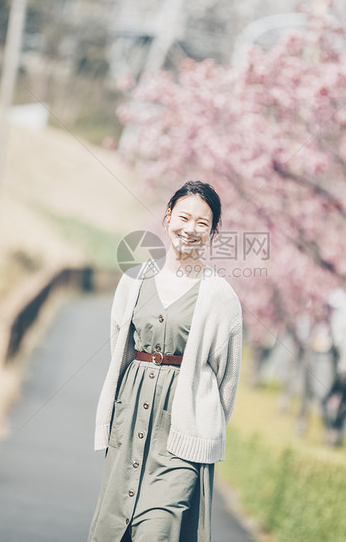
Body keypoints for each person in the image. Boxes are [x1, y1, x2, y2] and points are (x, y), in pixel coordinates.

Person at [89, 181, 243, 542]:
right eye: (184, 217)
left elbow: (228, 380)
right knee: (115, 527)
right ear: (167, 217)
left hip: (183, 434)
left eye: (202, 223)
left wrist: (202, 423)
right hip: (130, 426)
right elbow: (120, 350)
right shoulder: (133, 281)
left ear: (213, 232)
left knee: (159, 530)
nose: (190, 229)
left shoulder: (221, 297)